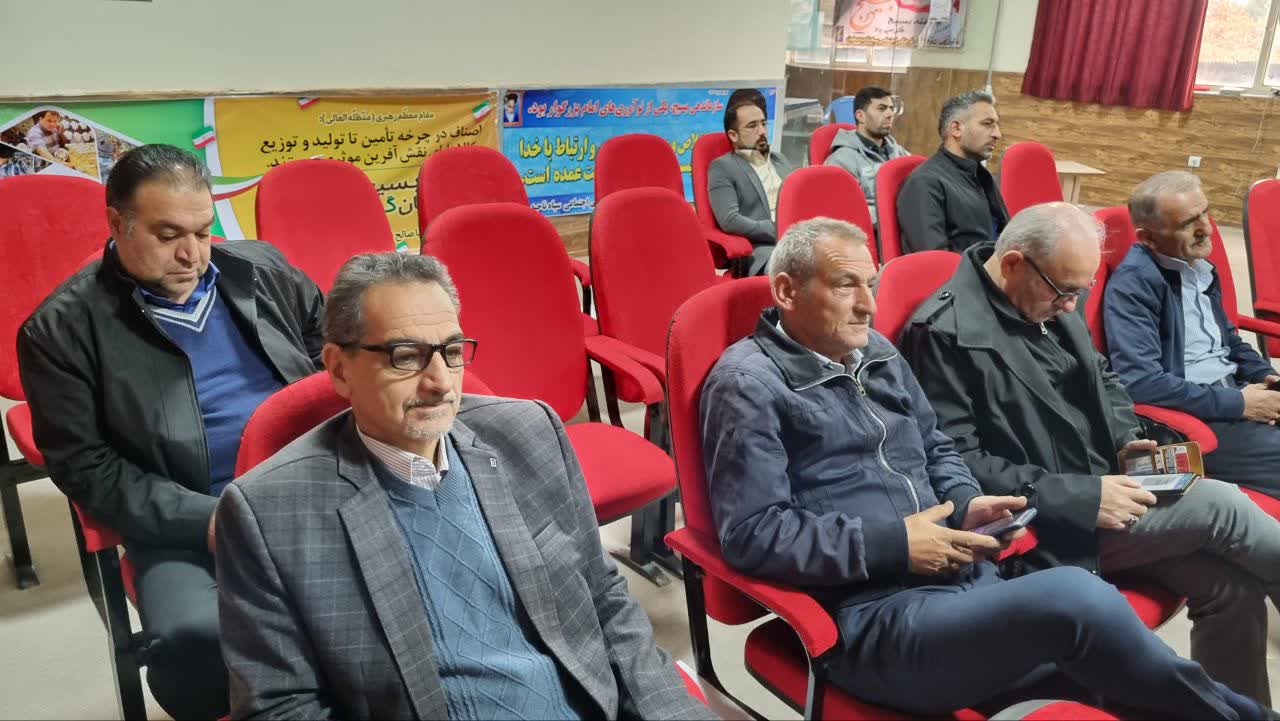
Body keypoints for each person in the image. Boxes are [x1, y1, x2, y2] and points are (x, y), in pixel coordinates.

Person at [699, 215, 1272, 719]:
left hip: (966, 580)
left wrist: (968, 501)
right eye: (846, 285)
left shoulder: (874, 352)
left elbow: (938, 447)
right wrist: (898, 544)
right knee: (1079, 600)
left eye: (870, 284)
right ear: (786, 290)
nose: (869, 305)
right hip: (875, 618)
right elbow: (753, 534)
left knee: (1119, 681)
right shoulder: (748, 384)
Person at [216, 252, 711, 721]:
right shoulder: (268, 512)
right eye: (406, 356)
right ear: (340, 368)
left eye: (452, 352)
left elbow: (603, 597)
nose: (442, 383)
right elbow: (280, 707)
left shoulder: (531, 433)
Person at [900, 202, 1280, 706]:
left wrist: (1125, 439)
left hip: (1106, 484)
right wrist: (1084, 495)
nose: (1072, 307)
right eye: (1064, 291)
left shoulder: (1047, 295)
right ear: (1012, 263)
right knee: (1223, 506)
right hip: (1054, 519)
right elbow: (958, 462)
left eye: (1080, 291)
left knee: (1230, 586)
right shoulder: (942, 333)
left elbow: (1105, 379)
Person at [17, 144, 325, 720]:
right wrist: (208, 519)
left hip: (312, 487)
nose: (192, 256)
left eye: (203, 232)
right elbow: (85, 467)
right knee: (195, 638)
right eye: (167, 235)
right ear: (118, 224)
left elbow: (334, 359)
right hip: (186, 515)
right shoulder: (60, 331)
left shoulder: (263, 271)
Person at [1105, 171, 1280, 498]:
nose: (1206, 228)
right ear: (1148, 238)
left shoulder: (1198, 267)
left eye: (1205, 213)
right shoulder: (1134, 285)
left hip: (1236, 394)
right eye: (1188, 223)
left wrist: (1266, 377)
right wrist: (1239, 404)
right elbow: (1139, 381)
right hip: (1199, 416)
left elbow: (1229, 342)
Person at [897, 90, 1009, 254]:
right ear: (956, 128)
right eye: (987, 124)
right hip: (968, 270)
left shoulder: (980, 175)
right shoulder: (924, 183)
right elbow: (934, 259)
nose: (997, 134)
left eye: (996, 125)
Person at [707, 91, 793, 276]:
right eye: (752, 126)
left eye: (763, 124)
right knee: (803, 270)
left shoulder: (780, 160)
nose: (762, 131)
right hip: (762, 251)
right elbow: (730, 220)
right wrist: (777, 229)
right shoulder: (722, 167)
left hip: (799, 241)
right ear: (733, 135)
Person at [823, 86, 909, 224]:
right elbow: (846, 213)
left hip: (904, 226)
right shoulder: (842, 160)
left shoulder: (898, 152)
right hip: (870, 233)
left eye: (891, 108)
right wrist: (897, 214)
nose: (890, 114)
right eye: (882, 108)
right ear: (860, 116)